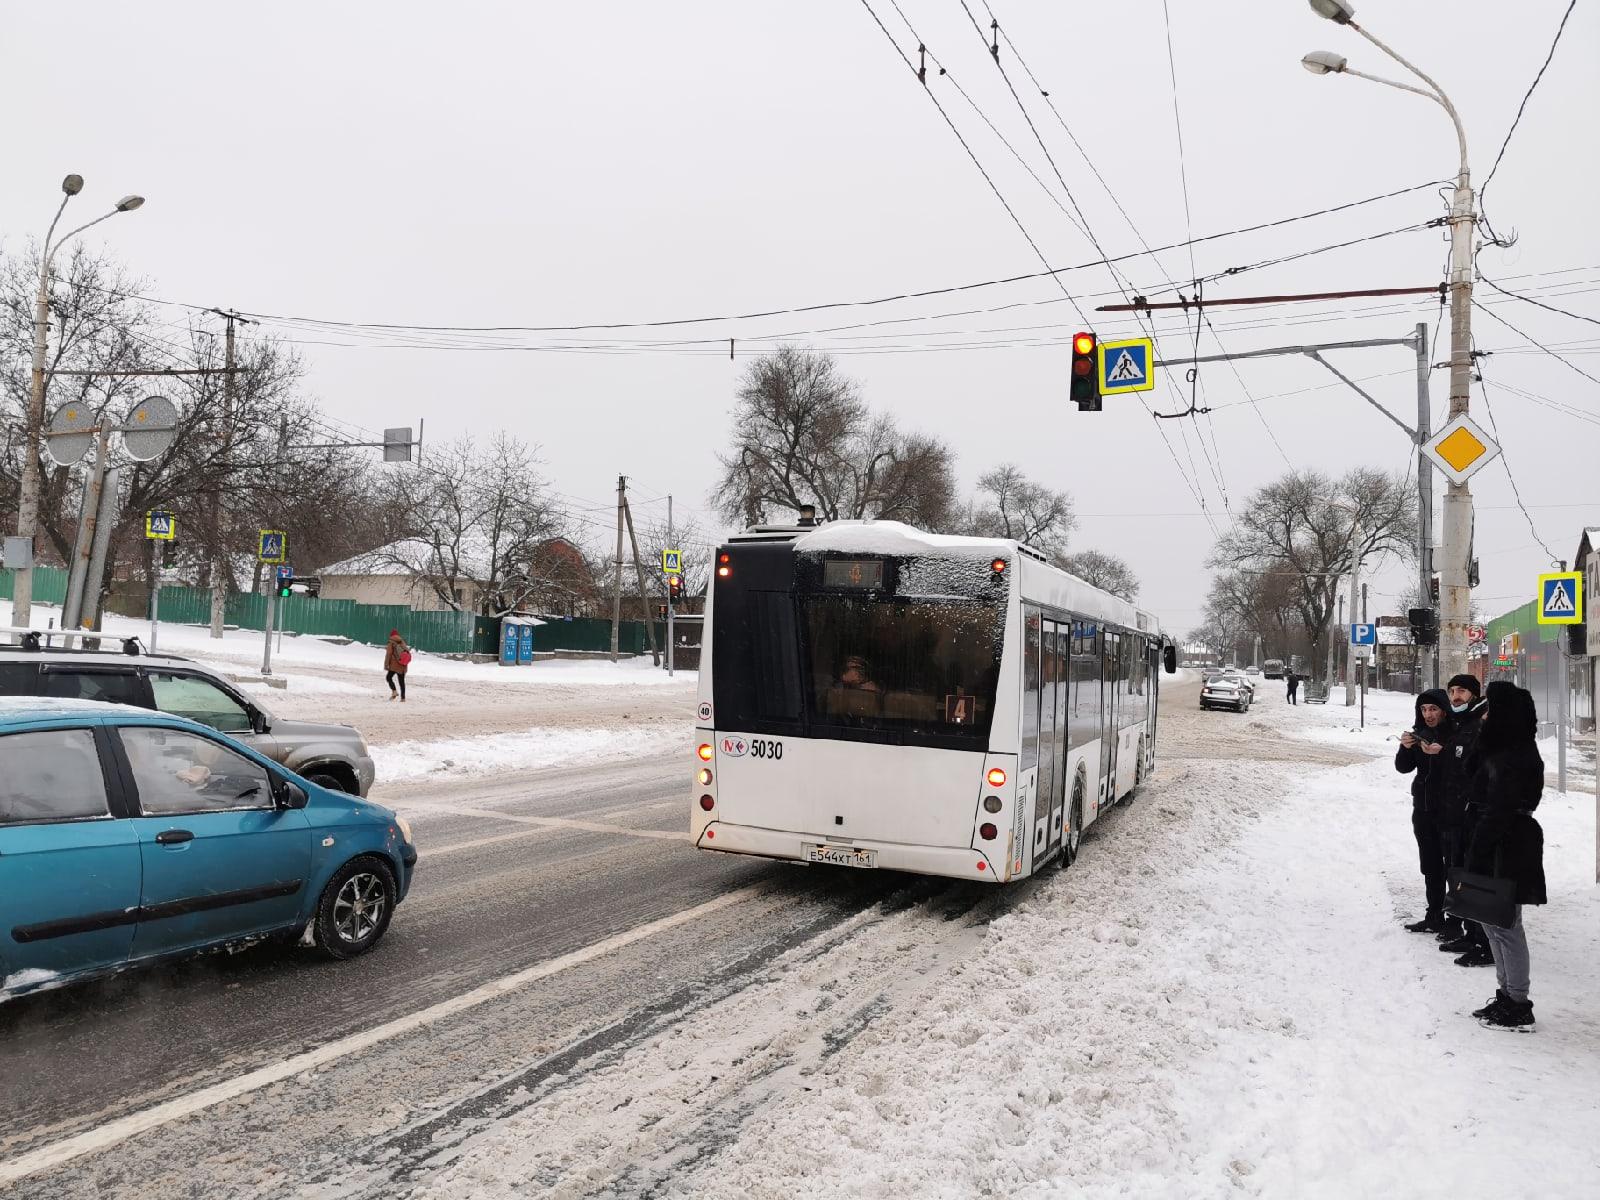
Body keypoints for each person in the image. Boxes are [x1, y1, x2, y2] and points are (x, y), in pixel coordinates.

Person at [1462, 681, 1546, 1029]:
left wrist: (1478, 852)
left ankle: (1517, 1001)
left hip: (1507, 843)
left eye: (1491, 710)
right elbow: (1472, 776)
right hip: (1496, 839)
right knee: (1491, 921)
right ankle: (1506, 992)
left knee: (1506, 925)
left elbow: (1499, 807)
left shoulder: (1515, 754)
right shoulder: (1501, 748)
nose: (1485, 716)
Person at [1438, 673, 1493, 965]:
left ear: (1474, 693)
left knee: (1474, 877)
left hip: (1473, 816)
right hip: (1456, 815)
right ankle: (1471, 933)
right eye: (1452, 691)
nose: (1455, 696)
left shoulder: (1481, 725)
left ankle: (1485, 942)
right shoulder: (1461, 724)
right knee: (1459, 874)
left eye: (1461, 691)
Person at [1394, 688, 1451, 932]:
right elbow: (1403, 768)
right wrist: (1406, 748)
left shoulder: (1455, 734)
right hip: (1424, 810)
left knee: (1453, 867)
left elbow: (1464, 769)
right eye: (1424, 709)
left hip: (1451, 811)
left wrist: (1442, 753)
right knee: (1430, 865)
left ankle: (1459, 920)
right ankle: (1434, 914)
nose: (1428, 714)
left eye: (1433, 709)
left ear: (1443, 711)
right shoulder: (1419, 734)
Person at [384, 629, 411, 702]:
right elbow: (407, 652)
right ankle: (403, 698)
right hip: (402, 664)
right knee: (401, 681)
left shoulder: (391, 642)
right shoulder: (402, 641)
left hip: (394, 665)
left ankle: (394, 691)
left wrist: (386, 665)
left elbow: (388, 654)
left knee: (388, 677)